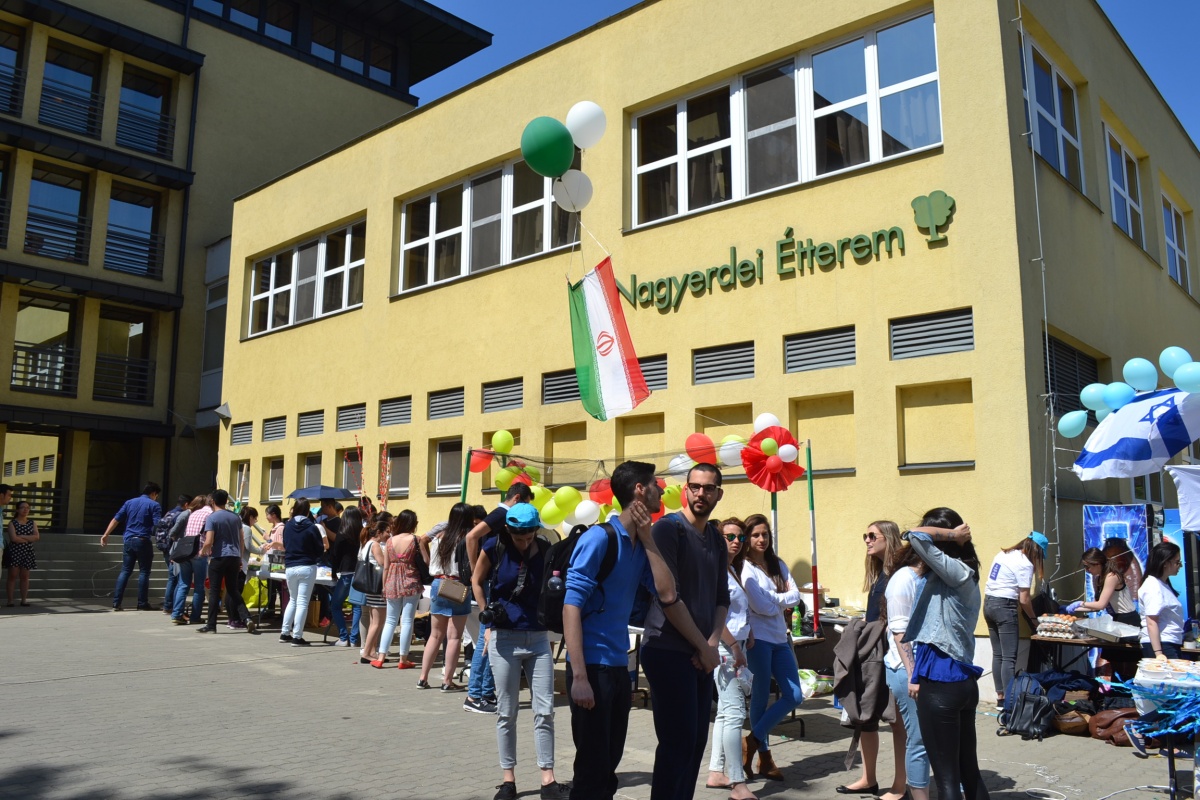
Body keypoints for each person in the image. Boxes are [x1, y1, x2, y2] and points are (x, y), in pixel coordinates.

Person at [562, 460, 679, 800]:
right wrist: (579, 677)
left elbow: (666, 592)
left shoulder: (640, 545)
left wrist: (648, 539)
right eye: (656, 485)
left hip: (617, 667)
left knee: (608, 767)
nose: (661, 492)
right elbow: (571, 607)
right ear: (640, 490)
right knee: (591, 772)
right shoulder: (599, 538)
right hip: (590, 668)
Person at [470, 502, 570, 800]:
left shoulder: (545, 549)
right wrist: (487, 618)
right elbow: (476, 581)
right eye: (518, 538)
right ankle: (508, 780)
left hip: (538, 639)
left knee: (545, 711)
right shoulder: (495, 547)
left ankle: (548, 780)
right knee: (506, 712)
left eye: (529, 537)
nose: (524, 543)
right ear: (508, 531)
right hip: (504, 638)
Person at [641, 464, 727, 800]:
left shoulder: (716, 538)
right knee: (677, 742)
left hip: (701, 653)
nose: (701, 494)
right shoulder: (668, 529)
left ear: (718, 494)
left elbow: (722, 597)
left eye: (709, 488)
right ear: (685, 490)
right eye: (695, 487)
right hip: (667, 649)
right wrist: (704, 648)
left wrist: (711, 644)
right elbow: (669, 598)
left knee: (695, 742)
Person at [903, 508, 989, 800]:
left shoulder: (955, 572)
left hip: (942, 683)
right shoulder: (961, 574)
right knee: (968, 772)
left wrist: (953, 534)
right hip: (960, 683)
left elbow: (914, 536)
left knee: (947, 781)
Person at [837, 520, 908, 798]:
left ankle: (901, 786)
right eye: (865, 535)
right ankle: (868, 779)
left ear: (888, 538)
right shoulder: (879, 574)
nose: (867, 540)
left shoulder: (900, 574)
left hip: (892, 655)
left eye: (872, 535)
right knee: (865, 717)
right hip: (871, 654)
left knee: (897, 721)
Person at [739, 513, 803, 783]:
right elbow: (760, 606)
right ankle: (764, 757)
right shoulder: (745, 568)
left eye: (765, 534)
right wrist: (780, 599)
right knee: (761, 696)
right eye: (755, 535)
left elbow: (796, 596)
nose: (761, 539)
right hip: (758, 640)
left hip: (780, 637)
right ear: (747, 538)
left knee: (794, 695)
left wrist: (773, 599)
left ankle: (751, 740)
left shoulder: (778, 564)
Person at [464, 484, 533, 714]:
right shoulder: (502, 513)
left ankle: (482, 692)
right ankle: (476, 695)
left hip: (493, 582)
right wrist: (477, 570)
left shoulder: (503, 515)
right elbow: (472, 536)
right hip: (490, 583)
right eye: (525, 503)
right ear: (517, 498)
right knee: (486, 639)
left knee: (489, 639)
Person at [705, 517, 755, 800]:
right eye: (730, 536)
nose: (737, 542)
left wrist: (748, 632)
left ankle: (716, 771)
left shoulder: (731, 569)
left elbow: (737, 610)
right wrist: (735, 646)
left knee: (726, 712)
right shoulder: (715, 569)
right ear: (718, 538)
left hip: (736, 646)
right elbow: (716, 615)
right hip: (727, 649)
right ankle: (737, 783)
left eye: (741, 538)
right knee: (736, 714)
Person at [883, 532, 930, 800]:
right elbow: (900, 631)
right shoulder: (904, 578)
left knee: (934, 737)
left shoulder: (931, 577)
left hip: (927, 669)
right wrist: (913, 674)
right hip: (906, 669)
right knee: (919, 738)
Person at [981, 532, 1046, 711]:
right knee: (1009, 658)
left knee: (998, 655)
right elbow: (1024, 599)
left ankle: (1001, 699)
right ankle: (1011, 704)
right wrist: (1034, 620)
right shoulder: (1025, 564)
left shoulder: (1003, 554)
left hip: (988, 604)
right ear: (1036, 551)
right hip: (1005, 608)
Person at [418, 502, 475, 691]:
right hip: (457, 584)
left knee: (435, 635)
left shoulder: (440, 537)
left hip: (438, 583)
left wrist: (428, 563)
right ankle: (447, 681)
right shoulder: (467, 538)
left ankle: (423, 678)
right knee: (454, 637)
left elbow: (425, 548)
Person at [196, 491, 257, 634]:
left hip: (219, 557)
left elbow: (209, 541)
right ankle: (247, 618)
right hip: (234, 557)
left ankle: (211, 625)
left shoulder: (212, 518)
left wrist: (202, 551)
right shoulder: (235, 517)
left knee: (214, 591)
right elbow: (241, 540)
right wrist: (240, 557)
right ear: (226, 501)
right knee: (233, 590)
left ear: (212, 501)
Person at [99, 481, 163, 611]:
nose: (156, 498)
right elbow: (158, 524)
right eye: (156, 495)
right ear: (153, 493)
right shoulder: (154, 505)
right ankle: (142, 603)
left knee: (125, 571)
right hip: (143, 540)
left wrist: (106, 534)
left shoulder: (129, 502)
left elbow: (116, 519)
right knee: (144, 572)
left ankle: (116, 603)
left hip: (128, 540)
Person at [374, 510, 422, 668]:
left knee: (390, 620)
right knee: (407, 620)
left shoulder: (390, 541)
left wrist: (384, 586)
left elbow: (386, 567)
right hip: (411, 581)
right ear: (413, 523)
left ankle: (381, 657)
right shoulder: (416, 539)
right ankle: (403, 659)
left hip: (392, 582)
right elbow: (426, 560)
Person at [280, 498, 323, 647]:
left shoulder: (287, 525)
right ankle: (297, 636)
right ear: (307, 510)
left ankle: (285, 632)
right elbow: (319, 548)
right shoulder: (311, 526)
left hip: (290, 566)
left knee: (293, 600)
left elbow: (285, 544)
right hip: (307, 566)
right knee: (302, 602)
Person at [1070, 547, 1139, 626]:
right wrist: (1074, 608)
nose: (1086, 570)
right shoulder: (1098, 578)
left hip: (1127, 619)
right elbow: (1096, 606)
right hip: (1115, 617)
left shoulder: (1112, 576)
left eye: (1088, 567)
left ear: (1097, 564)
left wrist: (1080, 603)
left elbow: (1101, 605)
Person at [1139, 541, 1184, 660]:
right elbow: (1151, 621)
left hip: (1168, 642)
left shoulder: (1163, 584)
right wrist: (1158, 653)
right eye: (1177, 562)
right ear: (1165, 563)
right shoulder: (1153, 586)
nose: (1180, 566)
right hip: (1161, 644)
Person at [171, 495, 211, 625]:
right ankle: (195, 617)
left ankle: (176, 614)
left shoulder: (192, 514)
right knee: (199, 586)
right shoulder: (210, 514)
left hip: (186, 552)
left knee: (183, 584)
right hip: (199, 552)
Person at [328, 506, 363, 646]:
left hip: (346, 573)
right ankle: (354, 639)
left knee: (335, 605)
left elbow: (335, 555)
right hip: (360, 573)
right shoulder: (363, 534)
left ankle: (343, 637)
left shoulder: (342, 534)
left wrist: (333, 573)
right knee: (357, 607)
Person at [359, 517, 389, 662]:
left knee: (374, 622)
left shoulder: (367, 544)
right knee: (377, 623)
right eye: (387, 531)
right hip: (377, 587)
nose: (388, 534)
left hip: (370, 587)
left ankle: (371, 651)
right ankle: (366, 653)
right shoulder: (375, 545)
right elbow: (382, 563)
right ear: (379, 532)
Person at [155, 494, 191, 617]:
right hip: (174, 550)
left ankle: (168, 605)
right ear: (186, 504)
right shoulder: (181, 515)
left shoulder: (169, 513)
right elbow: (175, 533)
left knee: (172, 577)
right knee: (176, 578)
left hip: (166, 548)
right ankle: (170, 606)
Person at [4, 500, 39, 607]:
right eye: (23, 507)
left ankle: (24, 600)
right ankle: (10, 600)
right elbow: (14, 538)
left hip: (27, 552)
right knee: (12, 576)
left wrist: (22, 536)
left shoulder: (32, 523)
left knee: (25, 576)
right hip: (15, 551)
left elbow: (36, 537)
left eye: (27, 507)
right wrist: (29, 538)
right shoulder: (12, 523)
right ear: (17, 510)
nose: (25, 510)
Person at [235, 506, 263, 628]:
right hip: (241, 563)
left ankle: (234, 619)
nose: (255, 521)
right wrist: (261, 550)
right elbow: (248, 546)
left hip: (234, 561)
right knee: (237, 592)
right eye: (255, 518)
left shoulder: (237, 525)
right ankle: (239, 618)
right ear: (250, 517)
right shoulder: (246, 529)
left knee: (232, 592)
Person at [261, 504, 289, 619]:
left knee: (279, 587)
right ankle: (271, 608)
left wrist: (268, 540)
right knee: (271, 586)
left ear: (274, 515)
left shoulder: (281, 528)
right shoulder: (275, 528)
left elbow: (282, 545)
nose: (266, 517)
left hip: (279, 562)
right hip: (273, 561)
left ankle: (282, 611)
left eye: (267, 514)